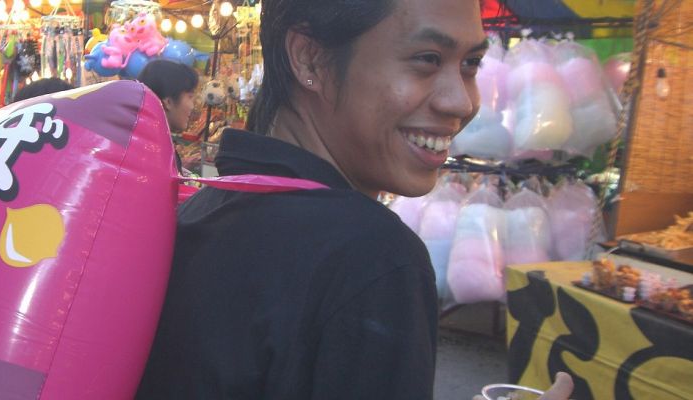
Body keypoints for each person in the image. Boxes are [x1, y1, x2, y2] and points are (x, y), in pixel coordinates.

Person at [136, 0, 573, 399]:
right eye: (427, 59)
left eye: (471, 64)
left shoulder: (204, 209)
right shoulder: (373, 257)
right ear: (310, 58)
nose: (462, 101)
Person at [136, 59, 198, 174]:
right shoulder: (155, 151)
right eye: (190, 97)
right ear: (168, 102)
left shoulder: (138, 139)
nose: (192, 106)